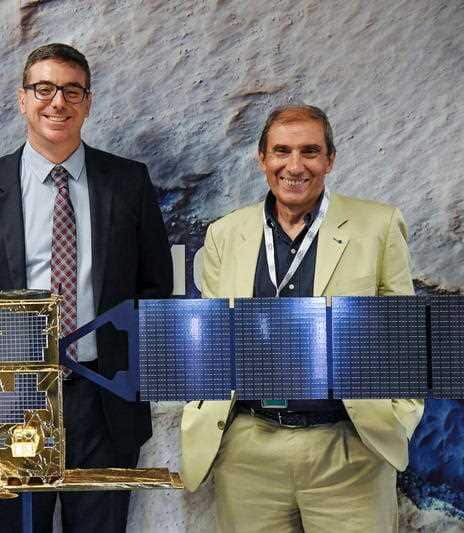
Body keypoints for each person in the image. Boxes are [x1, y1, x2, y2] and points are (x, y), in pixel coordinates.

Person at [0, 43, 172, 532]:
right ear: (22, 99)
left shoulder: (128, 182)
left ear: (88, 102)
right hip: (14, 398)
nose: (57, 102)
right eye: (43, 89)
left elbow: (154, 287)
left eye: (72, 91)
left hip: (104, 396)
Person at [180, 105, 424, 532]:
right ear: (263, 159)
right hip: (249, 453)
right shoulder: (225, 234)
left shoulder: (378, 225)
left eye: (309, 151)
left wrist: (396, 419)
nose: (295, 166)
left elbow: (403, 333)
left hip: (349, 451)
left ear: (329, 159)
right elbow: (211, 344)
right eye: (282, 151)